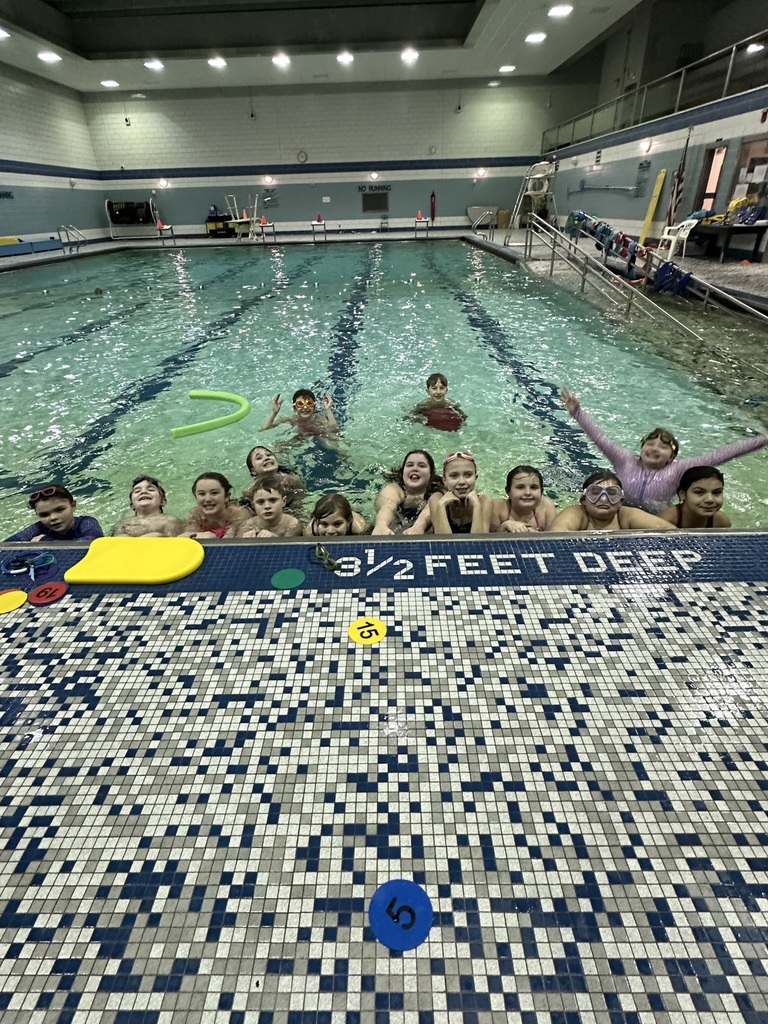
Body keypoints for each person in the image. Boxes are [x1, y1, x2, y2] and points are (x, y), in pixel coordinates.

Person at [560, 387, 768, 513]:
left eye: (662, 447)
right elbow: (599, 438)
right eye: (650, 444)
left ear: (672, 456)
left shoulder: (678, 470)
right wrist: (577, 412)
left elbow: (723, 454)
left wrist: (764, 439)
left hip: (657, 516)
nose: (654, 449)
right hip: (619, 510)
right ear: (641, 448)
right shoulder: (625, 460)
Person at [548, 471, 676, 532]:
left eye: (612, 494)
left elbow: (670, 531)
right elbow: (556, 534)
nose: (603, 499)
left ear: (620, 501)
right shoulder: (577, 513)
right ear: (583, 499)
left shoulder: (626, 515)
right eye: (595, 493)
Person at [372, 449, 443, 535]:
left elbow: (432, 508)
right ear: (403, 472)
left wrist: (418, 527)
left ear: (431, 473)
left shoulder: (437, 492)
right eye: (409, 465)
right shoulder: (393, 489)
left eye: (422, 466)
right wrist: (381, 526)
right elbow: (387, 506)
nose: (415, 469)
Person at [4, 484, 104, 543]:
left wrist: (45, 541)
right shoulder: (40, 527)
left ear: (73, 505)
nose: (53, 518)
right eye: (44, 515)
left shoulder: (86, 522)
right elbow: (7, 546)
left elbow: (93, 542)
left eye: (60, 510)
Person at [427, 451, 493, 534]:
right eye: (454, 476)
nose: (462, 481)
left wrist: (476, 506)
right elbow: (444, 544)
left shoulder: (484, 501)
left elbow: (479, 544)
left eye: (468, 475)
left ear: (475, 478)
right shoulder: (437, 499)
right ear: (444, 480)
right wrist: (441, 506)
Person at [658, 466, 731, 529]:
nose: (710, 499)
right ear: (682, 494)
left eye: (716, 492)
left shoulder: (721, 522)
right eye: (699, 492)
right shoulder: (666, 520)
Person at [182, 473, 249, 539]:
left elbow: (232, 544)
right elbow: (189, 541)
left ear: (226, 496)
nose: (208, 499)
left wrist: (213, 537)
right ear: (196, 497)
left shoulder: (239, 515)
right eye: (202, 494)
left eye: (214, 493)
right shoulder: (194, 516)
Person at [492, 465, 557, 532]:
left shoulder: (545, 508)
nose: (527, 493)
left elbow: (555, 540)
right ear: (508, 492)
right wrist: (504, 526)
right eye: (520, 487)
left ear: (541, 491)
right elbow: (487, 539)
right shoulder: (498, 508)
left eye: (533, 487)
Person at [112, 476, 183, 537]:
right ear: (132, 505)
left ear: (162, 501)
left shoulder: (170, 521)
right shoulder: (123, 524)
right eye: (137, 491)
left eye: (151, 490)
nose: (143, 492)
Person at [242, 445, 306, 512]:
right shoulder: (249, 491)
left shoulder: (291, 480)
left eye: (269, 455)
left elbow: (300, 500)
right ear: (253, 471)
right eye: (259, 458)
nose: (266, 458)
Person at [237, 477, 303, 538]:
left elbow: (289, 549)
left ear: (284, 501)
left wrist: (274, 538)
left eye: (273, 500)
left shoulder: (292, 525)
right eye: (261, 502)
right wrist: (245, 540)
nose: (267, 506)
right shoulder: (248, 525)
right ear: (253, 505)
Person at [262, 389, 338, 437]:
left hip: (319, 435)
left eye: (309, 403)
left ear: (314, 407)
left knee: (332, 444)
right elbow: (265, 428)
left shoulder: (319, 419)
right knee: (279, 446)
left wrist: (328, 410)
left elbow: (334, 430)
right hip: (301, 437)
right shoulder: (292, 419)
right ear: (295, 408)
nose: (305, 407)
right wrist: (274, 413)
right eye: (300, 404)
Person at [304, 493, 368, 536]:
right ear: (316, 521)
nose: (330, 531)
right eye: (324, 524)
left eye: (337, 524)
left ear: (349, 521)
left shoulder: (359, 529)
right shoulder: (310, 532)